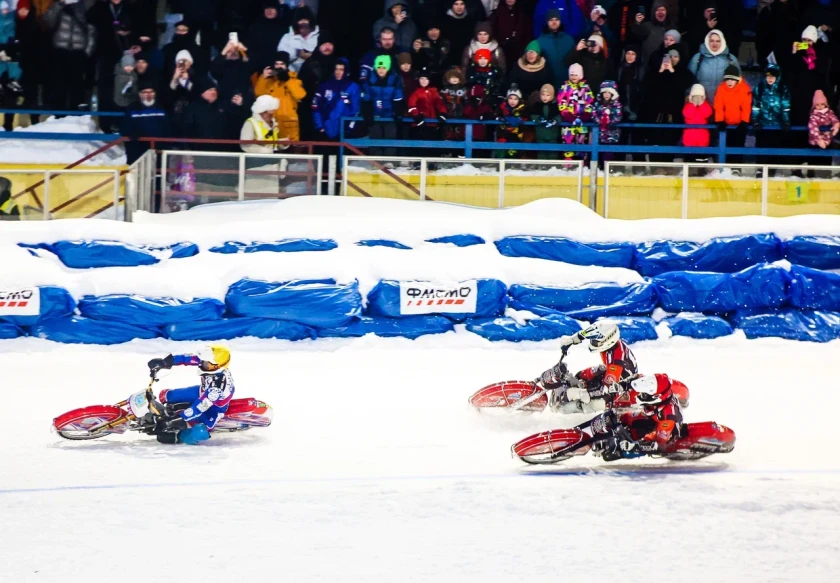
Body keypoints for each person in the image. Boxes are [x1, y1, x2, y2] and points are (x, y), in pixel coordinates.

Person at [538, 321, 638, 412]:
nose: (593, 342)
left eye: (596, 341)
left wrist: (580, 393)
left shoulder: (616, 362)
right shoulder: (607, 337)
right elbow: (587, 332)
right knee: (582, 375)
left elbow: (606, 388)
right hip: (610, 372)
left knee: (596, 402)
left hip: (620, 386)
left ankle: (574, 415)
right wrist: (572, 340)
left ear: (608, 340)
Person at [147, 345, 235, 445]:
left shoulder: (216, 389)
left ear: (216, 367)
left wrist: (179, 419)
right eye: (203, 361)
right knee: (166, 395)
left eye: (205, 363)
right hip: (202, 391)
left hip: (213, 408)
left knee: (198, 432)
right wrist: (166, 362)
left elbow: (199, 407)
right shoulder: (209, 364)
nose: (201, 364)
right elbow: (188, 359)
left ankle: (179, 437)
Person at [594, 373, 684, 461]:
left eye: (644, 394)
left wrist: (636, 446)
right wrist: (621, 385)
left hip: (661, 429)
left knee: (624, 450)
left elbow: (659, 445)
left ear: (656, 397)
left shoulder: (667, 418)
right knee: (624, 417)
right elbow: (638, 378)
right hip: (653, 414)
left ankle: (624, 448)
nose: (640, 394)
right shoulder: (655, 385)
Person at [43, 0, 96, 111]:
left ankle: (74, 110)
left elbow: (92, 30)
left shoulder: (86, 6)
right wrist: (58, 5)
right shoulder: (58, 5)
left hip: (78, 51)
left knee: (76, 83)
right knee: (59, 82)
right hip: (60, 49)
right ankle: (58, 110)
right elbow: (48, 21)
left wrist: (87, 51)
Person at [253, 50, 306, 142]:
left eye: (282, 64)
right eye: (277, 64)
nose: (279, 67)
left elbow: (300, 95)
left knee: (291, 152)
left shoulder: (294, 79)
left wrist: (287, 80)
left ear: (286, 65)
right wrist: (263, 78)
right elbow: (259, 95)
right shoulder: (269, 80)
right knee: (271, 150)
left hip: (288, 124)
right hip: (270, 122)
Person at [360, 54, 405, 157]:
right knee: (375, 138)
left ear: (388, 68)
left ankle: (389, 161)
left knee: (390, 139)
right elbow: (366, 99)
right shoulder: (370, 80)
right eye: (379, 67)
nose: (381, 70)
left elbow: (398, 98)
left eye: (384, 67)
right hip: (375, 116)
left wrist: (398, 114)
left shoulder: (395, 80)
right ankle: (376, 161)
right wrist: (367, 114)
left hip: (390, 116)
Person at [298, 30, 338, 139]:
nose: (327, 47)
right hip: (312, 107)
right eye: (324, 44)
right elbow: (301, 85)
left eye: (330, 44)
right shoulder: (309, 63)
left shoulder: (338, 64)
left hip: (333, 108)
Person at [751, 63, 791, 171]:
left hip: (777, 126)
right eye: (768, 76)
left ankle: (772, 172)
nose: (770, 79)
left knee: (775, 148)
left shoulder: (782, 88)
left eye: (772, 76)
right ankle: (760, 171)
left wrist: (786, 121)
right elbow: (755, 106)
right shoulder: (759, 88)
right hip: (762, 126)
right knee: (761, 148)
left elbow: (785, 106)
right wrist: (755, 120)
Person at [122, 80, 170, 164]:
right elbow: (126, 128)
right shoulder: (132, 108)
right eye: (145, 92)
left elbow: (167, 128)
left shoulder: (162, 108)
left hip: (158, 149)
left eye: (151, 92)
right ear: (139, 94)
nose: (148, 95)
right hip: (137, 150)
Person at [313, 58, 361, 140]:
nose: (338, 72)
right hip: (325, 129)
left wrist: (349, 128)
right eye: (336, 69)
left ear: (346, 71)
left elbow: (356, 110)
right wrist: (320, 126)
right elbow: (316, 107)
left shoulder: (353, 87)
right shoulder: (324, 86)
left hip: (344, 131)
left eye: (341, 69)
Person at [714, 65, 752, 169]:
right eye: (727, 79)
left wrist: (744, 121)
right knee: (726, 145)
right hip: (726, 125)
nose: (729, 82)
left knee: (738, 146)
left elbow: (746, 106)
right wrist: (720, 120)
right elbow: (719, 105)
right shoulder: (721, 89)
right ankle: (726, 168)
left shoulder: (744, 89)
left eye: (732, 80)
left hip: (740, 125)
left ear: (737, 79)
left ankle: (737, 168)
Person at [687, 29, 738, 105]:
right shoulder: (698, 58)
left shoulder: (731, 59)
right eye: (712, 41)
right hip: (701, 104)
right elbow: (689, 80)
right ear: (707, 41)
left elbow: (739, 82)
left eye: (718, 41)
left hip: (724, 104)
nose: (715, 43)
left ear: (722, 42)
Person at [557, 62, 593, 163]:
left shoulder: (585, 87)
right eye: (572, 74)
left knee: (582, 141)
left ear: (580, 75)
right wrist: (566, 114)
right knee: (568, 141)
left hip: (582, 121)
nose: (573, 77)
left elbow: (589, 101)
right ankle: (568, 161)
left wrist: (586, 114)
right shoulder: (565, 87)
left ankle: (583, 162)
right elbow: (561, 100)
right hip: (569, 121)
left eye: (576, 74)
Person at [407, 66, 447, 149]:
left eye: (426, 79)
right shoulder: (416, 92)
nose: (423, 81)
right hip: (419, 124)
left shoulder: (433, 91)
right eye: (421, 78)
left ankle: (431, 161)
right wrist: (417, 115)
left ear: (429, 80)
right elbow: (411, 105)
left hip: (432, 123)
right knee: (419, 146)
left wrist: (443, 113)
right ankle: (417, 162)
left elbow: (440, 104)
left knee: (431, 146)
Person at [247, 0, 291, 72]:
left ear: (277, 10)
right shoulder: (255, 26)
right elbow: (250, 46)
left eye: (272, 8)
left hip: (278, 65)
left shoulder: (283, 26)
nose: (269, 10)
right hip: (258, 65)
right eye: (267, 8)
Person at [616, 45, 643, 159]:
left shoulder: (641, 69)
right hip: (622, 108)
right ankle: (618, 165)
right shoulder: (620, 69)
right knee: (622, 137)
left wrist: (637, 108)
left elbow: (644, 89)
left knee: (638, 138)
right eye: (628, 53)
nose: (630, 56)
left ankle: (638, 166)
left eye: (633, 54)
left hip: (638, 109)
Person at [536, 7, 574, 86]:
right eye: (551, 20)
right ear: (547, 22)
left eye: (556, 19)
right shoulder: (540, 41)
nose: (554, 22)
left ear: (560, 21)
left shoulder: (569, 39)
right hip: (548, 84)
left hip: (567, 83)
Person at [490, 0, 531, 72]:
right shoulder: (496, 13)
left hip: (518, 51)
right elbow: (492, 32)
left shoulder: (522, 13)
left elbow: (527, 33)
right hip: (501, 50)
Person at [277, 5, 320, 74]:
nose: (303, 23)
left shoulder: (319, 37)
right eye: (300, 20)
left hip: (314, 76)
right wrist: (297, 53)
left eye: (306, 20)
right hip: (292, 76)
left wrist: (312, 56)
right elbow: (281, 58)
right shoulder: (287, 37)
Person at [807, 89, 839, 170]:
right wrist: (819, 140)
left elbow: (834, 119)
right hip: (815, 141)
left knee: (826, 158)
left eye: (822, 104)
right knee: (814, 158)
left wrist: (836, 125)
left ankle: (826, 170)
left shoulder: (829, 113)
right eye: (817, 104)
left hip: (827, 140)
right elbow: (813, 129)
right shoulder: (813, 116)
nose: (820, 106)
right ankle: (812, 170)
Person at [682, 83, 713, 166]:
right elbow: (687, 114)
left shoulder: (706, 106)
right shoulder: (688, 106)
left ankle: (701, 173)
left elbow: (707, 113)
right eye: (695, 97)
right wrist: (693, 105)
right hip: (689, 139)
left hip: (702, 139)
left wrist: (701, 104)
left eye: (700, 97)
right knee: (689, 160)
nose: (697, 99)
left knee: (701, 160)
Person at [593, 80, 622, 166]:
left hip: (611, 134)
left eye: (609, 92)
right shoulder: (598, 104)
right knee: (598, 153)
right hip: (599, 134)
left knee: (609, 154)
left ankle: (609, 169)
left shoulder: (616, 105)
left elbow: (618, 116)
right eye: (604, 92)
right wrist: (600, 120)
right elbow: (593, 114)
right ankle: (599, 168)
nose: (606, 94)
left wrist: (610, 122)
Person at [528, 83, 561, 159]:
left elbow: (559, 115)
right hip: (540, 133)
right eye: (543, 95)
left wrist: (555, 121)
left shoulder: (556, 105)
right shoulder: (537, 105)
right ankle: (542, 165)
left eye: (547, 95)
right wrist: (539, 119)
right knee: (541, 151)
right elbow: (533, 114)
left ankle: (553, 166)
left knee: (553, 151)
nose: (545, 97)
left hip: (553, 133)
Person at [443, 0, 480, 65]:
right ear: (452, 6)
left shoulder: (471, 20)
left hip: (467, 57)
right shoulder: (445, 20)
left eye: (462, 4)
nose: (459, 7)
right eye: (456, 4)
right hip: (450, 58)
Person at [494, 84, 526, 157]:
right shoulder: (501, 108)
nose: (513, 101)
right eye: (510, 98)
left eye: (515, 99)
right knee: (501, 151)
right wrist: (500, 117)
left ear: (519, 100)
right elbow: (496, 115)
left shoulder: (522, 109)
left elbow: (520, 120)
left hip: (516, 137)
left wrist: (509, 119)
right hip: (502, 135)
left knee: (513, 152)